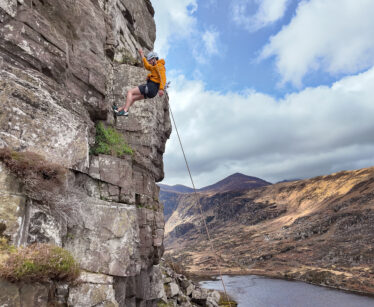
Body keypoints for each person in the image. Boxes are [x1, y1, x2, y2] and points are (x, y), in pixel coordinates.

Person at [114, 49, 166, 116]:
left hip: (151, 87)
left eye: (150, 60)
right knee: (132, 98)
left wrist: (161, 89)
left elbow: (163, 78)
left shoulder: (160, 66)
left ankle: (125, 111)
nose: (149, 62)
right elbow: (147, 66)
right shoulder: (154, 67)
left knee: (130, 92)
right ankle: (119, 109)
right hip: (152, 92)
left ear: (154, 59)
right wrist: (141, 54)